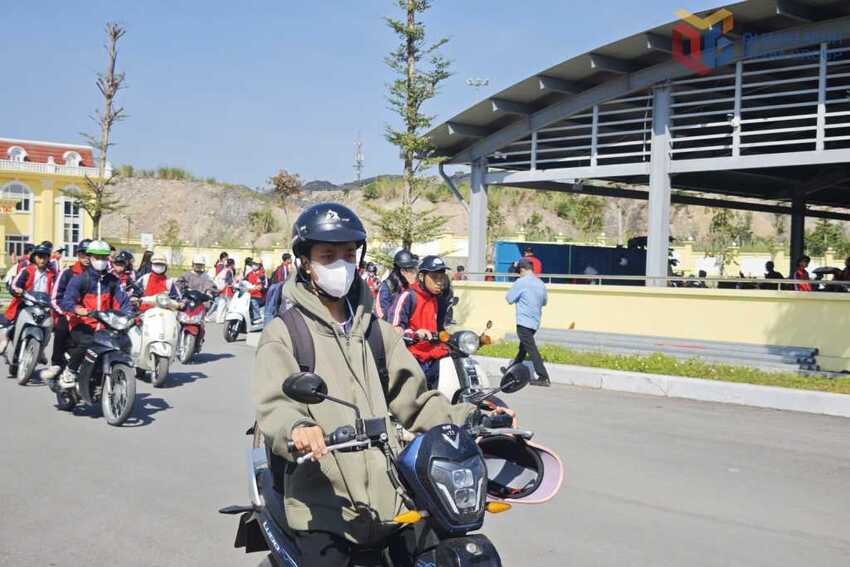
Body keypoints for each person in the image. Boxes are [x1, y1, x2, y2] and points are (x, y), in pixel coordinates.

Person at [253, 202, 513, 563]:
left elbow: (418, 403)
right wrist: (298, 428)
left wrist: (473, 415)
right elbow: (274, 403)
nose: (340, 265)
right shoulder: (286, 333)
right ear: (306, 263)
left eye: (347, 254)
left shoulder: (378, 334)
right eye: (328, 256)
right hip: (325, 504)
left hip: (392, 495)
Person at [58, 240, 131, 389]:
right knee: (88, 342)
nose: (101, 261)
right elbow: (66, 302)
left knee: (124, 342)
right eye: (97, 257)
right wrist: (79, 309)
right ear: (90, 258)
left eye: (104, 257)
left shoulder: (113, 281)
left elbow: (124, 302)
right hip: (82, 324)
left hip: (106, 325)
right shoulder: (80, 279)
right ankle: (70, 371)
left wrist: (129, 314)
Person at [388, 255, 451, 388]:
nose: (439, 282)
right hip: (411, 357)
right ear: (422, 277)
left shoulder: (439, 300)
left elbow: (440, 329)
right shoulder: (408, 296)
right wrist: (416, 334)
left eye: (442, 277)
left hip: (433, 355)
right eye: (435, 277)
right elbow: (393, 331)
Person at [45, 239, 92, 385]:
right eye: (83, 254)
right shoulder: (68, 272)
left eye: (90, 254)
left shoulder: (100, 276)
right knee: (62, 327)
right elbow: (55, 298)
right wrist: (67, 311)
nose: (86, 258)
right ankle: (56, 363)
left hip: (92, 317)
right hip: (69, 313)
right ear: (78, 254)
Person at [0, 243, 56, 354]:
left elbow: (56, 290)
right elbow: (15, 284)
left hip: (44, 305)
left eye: (45, 257)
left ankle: (40, 350)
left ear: (48, 258)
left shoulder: (52, 274)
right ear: (34, 257)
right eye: (39, 256)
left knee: (49, 326)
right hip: (26, 302)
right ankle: (5, 339)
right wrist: (18, 290)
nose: (42, 260)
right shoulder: (27, 270)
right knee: (12, 322)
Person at [506, 258, 550, 387]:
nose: (518, 273)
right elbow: (544, 302)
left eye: (519, 271)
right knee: (523, 348)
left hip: (523, 322)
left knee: (531, 348)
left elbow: (509, 298)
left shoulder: (521, 282)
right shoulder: (540, 283)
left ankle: (543, 376)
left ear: (522, 269)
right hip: (535, 322)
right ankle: (512, 371)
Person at [375, 249, 418, 320]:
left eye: (411, 269)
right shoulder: (387, 286)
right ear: (399, 269)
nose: (411, 272)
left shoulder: (409, 284)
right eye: (408, 269)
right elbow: (381, 313)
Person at [244, 258, 268, 322]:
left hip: (260, 296)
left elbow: (265, 285)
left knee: (253, 301)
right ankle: (248, 317)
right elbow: (244, 281)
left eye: (255, 264)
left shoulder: (262, 274)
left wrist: (261, 287)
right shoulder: (250, 274)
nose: (253, 265)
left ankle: (257, 317)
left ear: (259, 265)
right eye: (253, 263)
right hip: (250, 294)